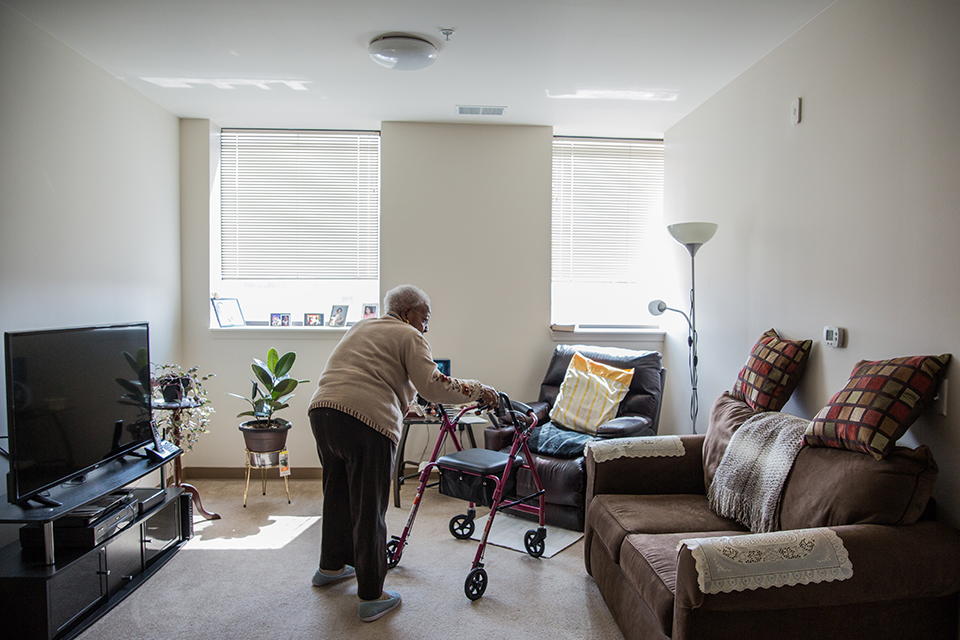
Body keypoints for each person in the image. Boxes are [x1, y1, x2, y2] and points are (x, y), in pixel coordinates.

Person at [308, 284, 499, 622]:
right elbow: (433, 385)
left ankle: (331, 566)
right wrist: (478, 390)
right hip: (365, 421)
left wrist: (402, 404)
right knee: (369, 507)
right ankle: (371, 596)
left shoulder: (362, 326)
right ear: (408, 313)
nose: (426, 327)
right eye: (425, 319)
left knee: (336, 494)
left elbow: (372, 374)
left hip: (323, 412)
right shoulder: (409, 335)